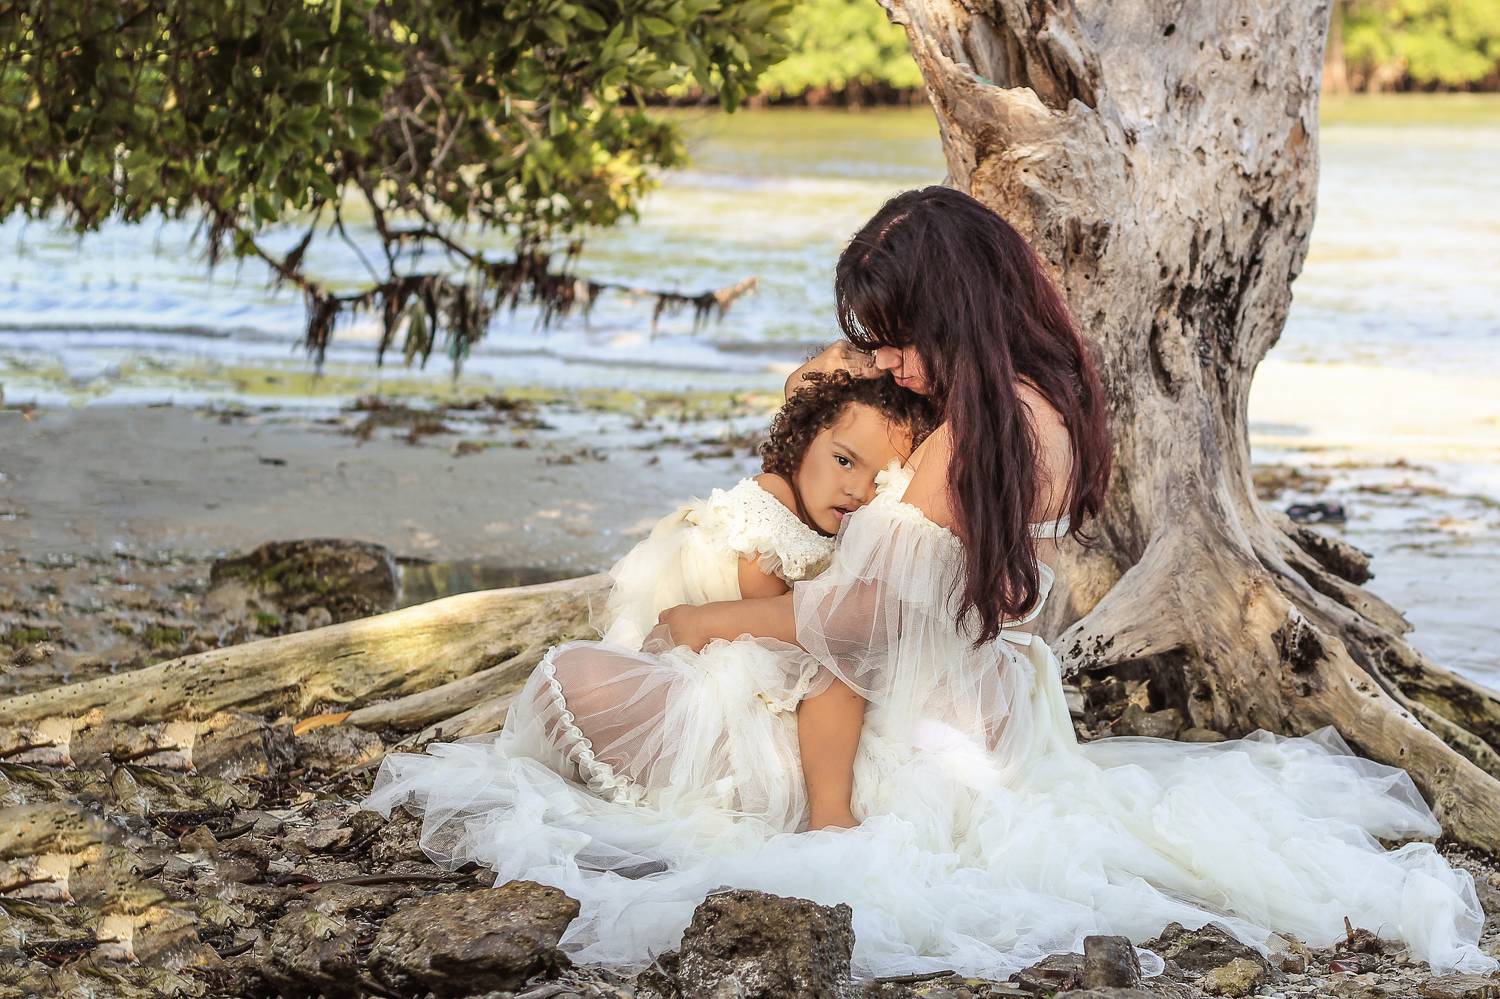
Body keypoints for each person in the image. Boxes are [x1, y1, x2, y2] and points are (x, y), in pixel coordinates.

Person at [368, 187, 1496, 980]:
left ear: (952, 308)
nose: (889, 362)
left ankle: (823, 823)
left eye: (899, 335)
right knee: (620, 684)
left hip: (887, 720)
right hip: (969, 705)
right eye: (876, 339)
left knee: (571, 680)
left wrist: (708, 619)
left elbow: (858, 626)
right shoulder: (1038, 413)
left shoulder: (972, 437)